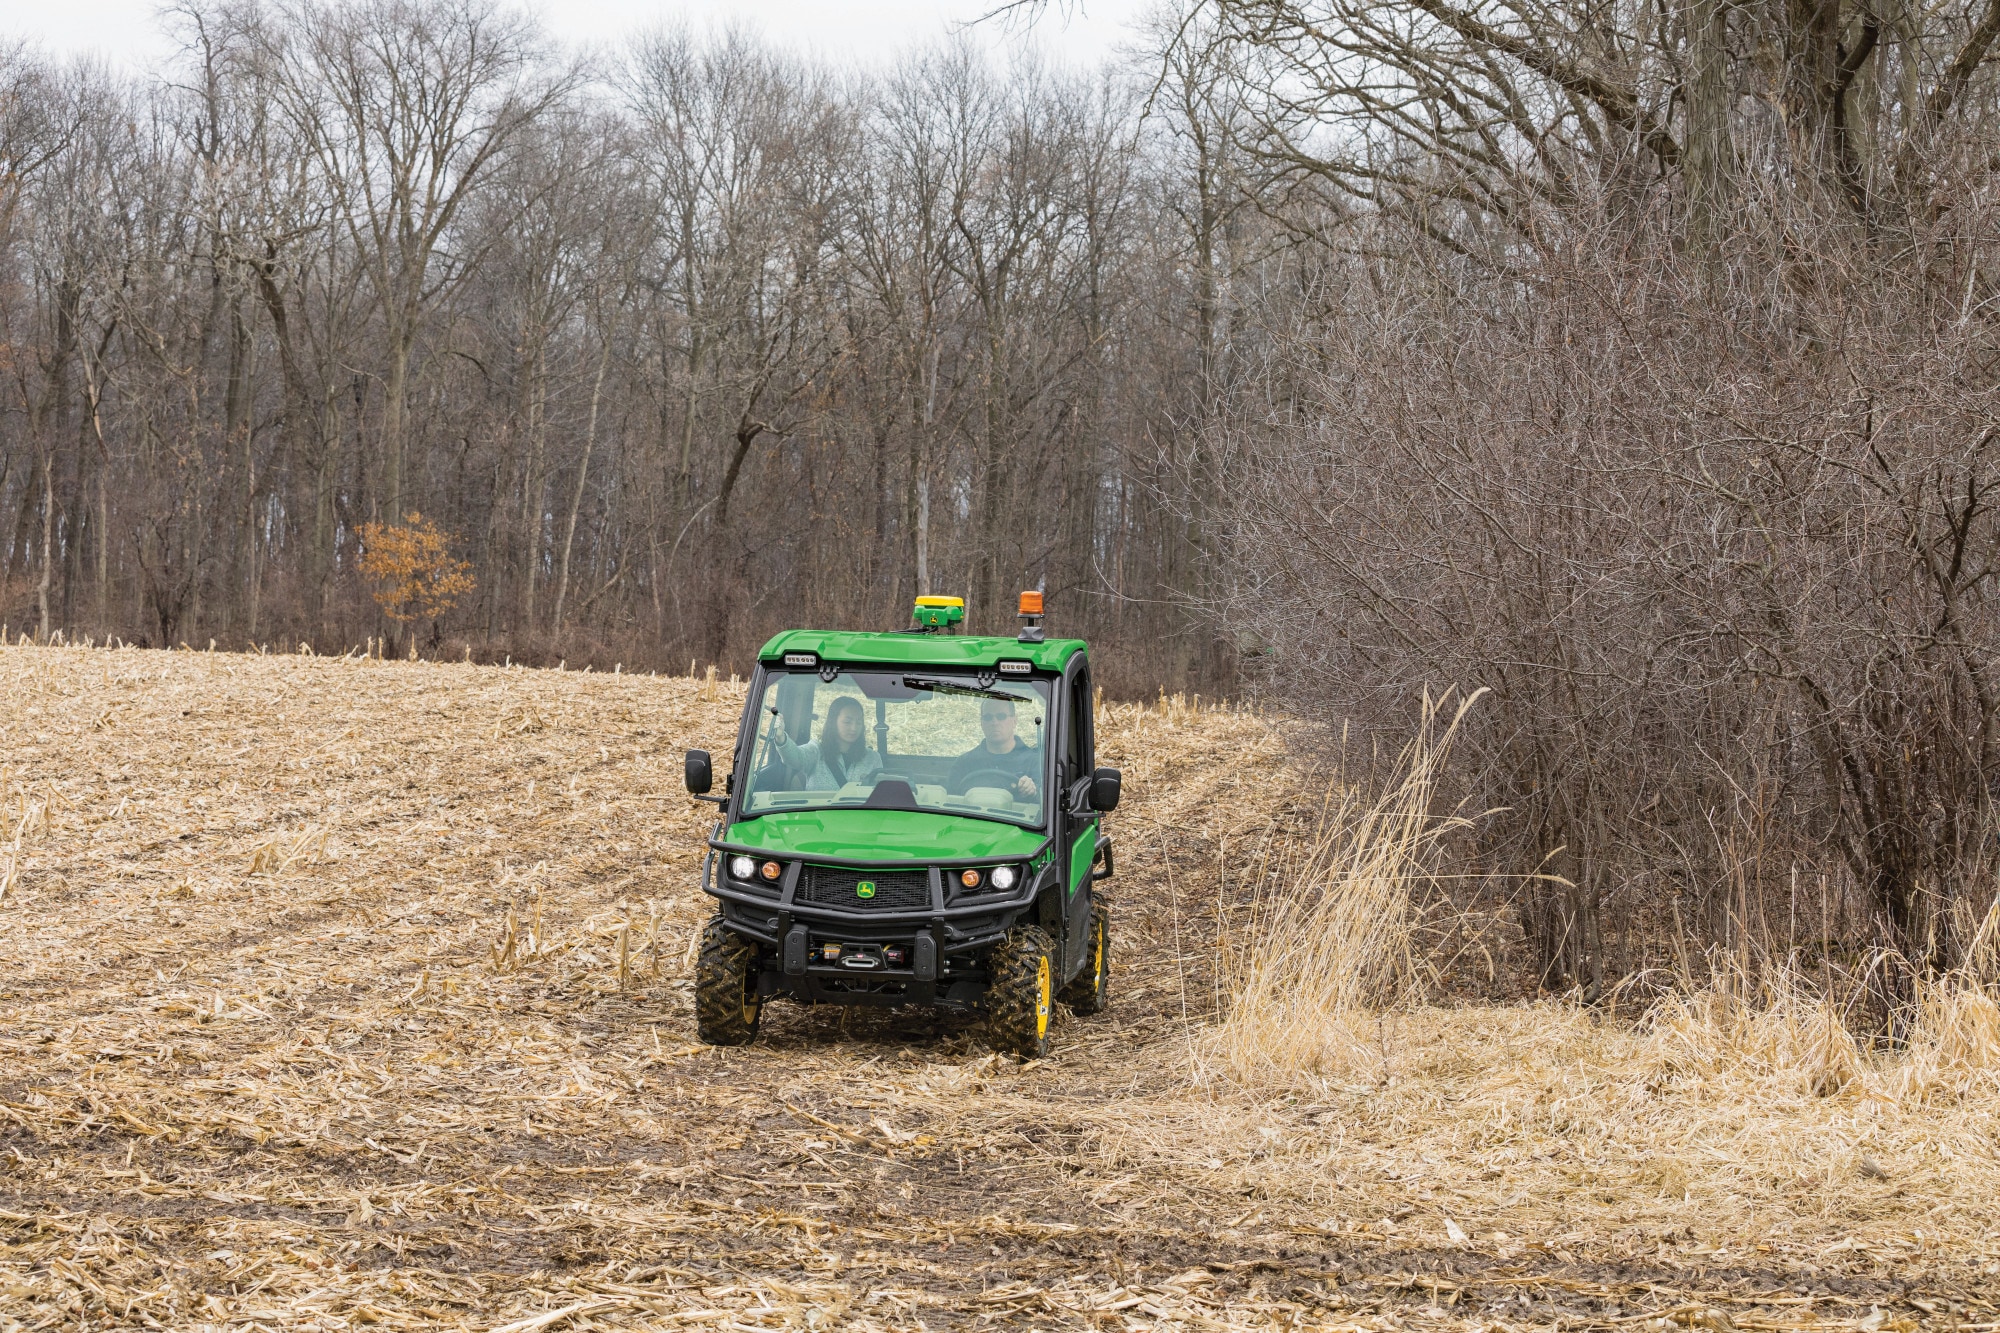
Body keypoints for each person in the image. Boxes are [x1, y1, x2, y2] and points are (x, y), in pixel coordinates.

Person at [771, 695, 882, 791]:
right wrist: (781, 738)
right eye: (847, 722)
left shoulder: (872, 758)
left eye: (859, 722)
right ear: (833, 722)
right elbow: (795, 758)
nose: (854, 728)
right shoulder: (816, 751)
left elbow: (880, 794)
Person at [946, 696, 1040, 800]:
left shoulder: (1035, 763)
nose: (994, 722)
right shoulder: (963, 764)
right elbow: (950, 803)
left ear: (1014, 721)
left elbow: (1045, 804)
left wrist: (1032, 791)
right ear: (981, 723)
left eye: (1001, 716)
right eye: (988, 717)